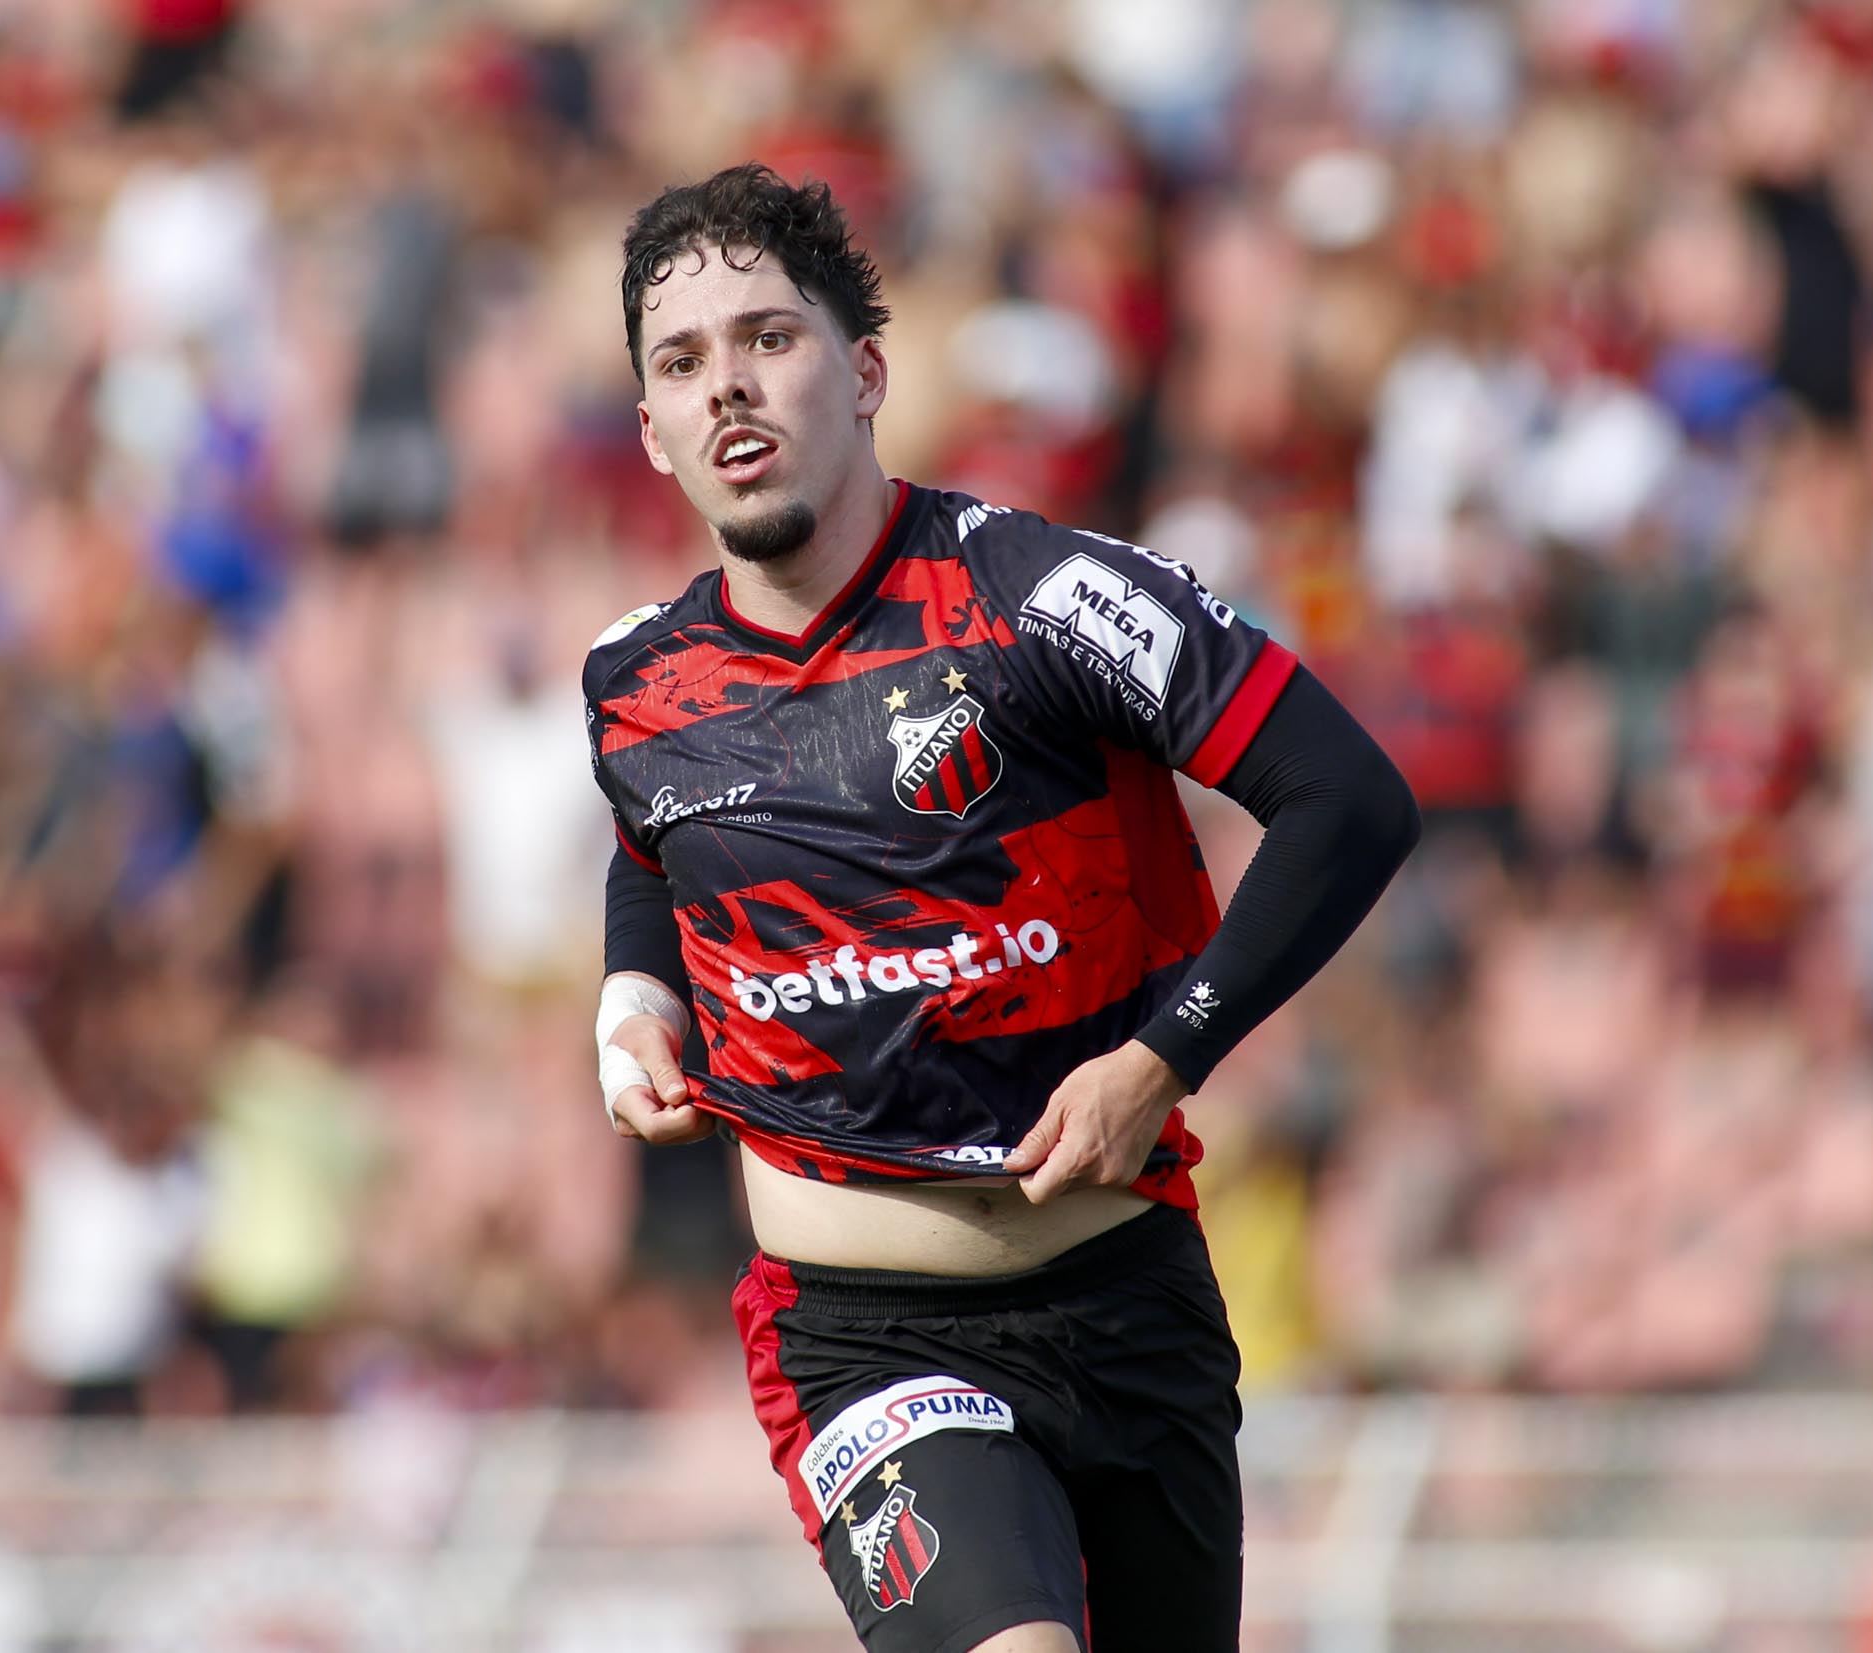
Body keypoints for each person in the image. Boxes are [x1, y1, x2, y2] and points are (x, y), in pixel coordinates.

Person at [584, 164, 1419, 1653]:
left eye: (768, 338)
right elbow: (654, 851)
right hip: (864, 1336)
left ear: (863, 372)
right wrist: (633, 998)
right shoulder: (634, 687)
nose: (729, 387)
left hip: (1126, 1292)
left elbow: (1348, 798)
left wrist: (1166, 1055)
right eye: (683, 361)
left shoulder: (1039, 599)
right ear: (652, 433)